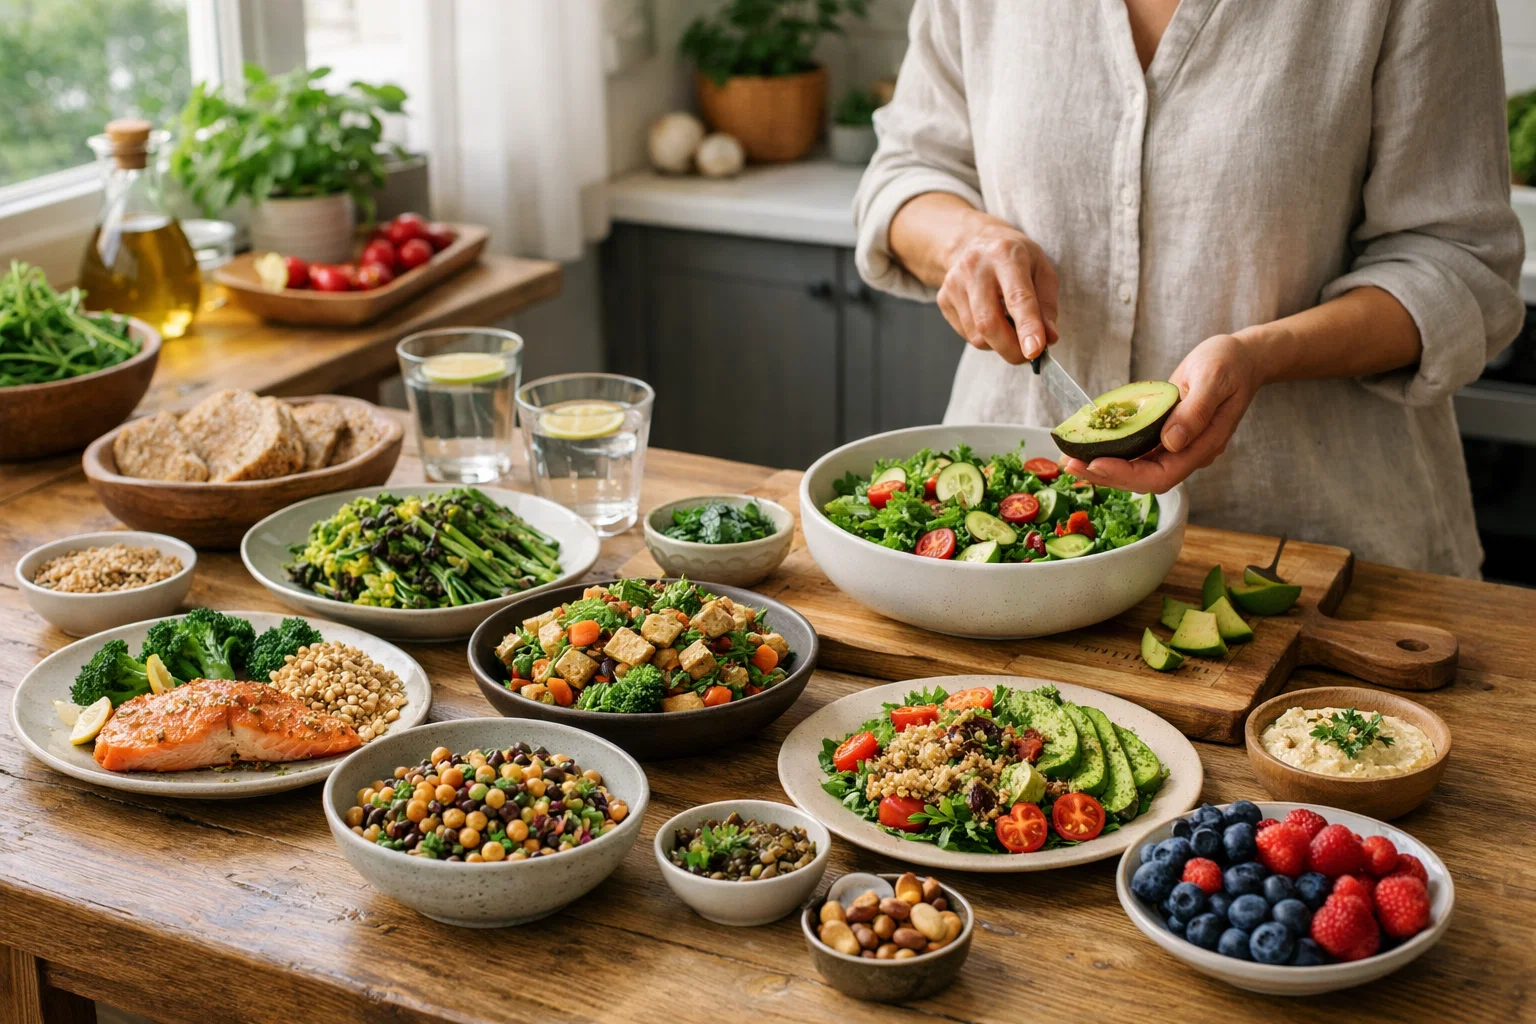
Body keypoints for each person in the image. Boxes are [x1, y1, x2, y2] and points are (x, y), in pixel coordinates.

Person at [854, 0, 1525, 576]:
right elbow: (909, 168)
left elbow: (1458, 262)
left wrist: (1264, 356)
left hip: (1318, 554)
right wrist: (963, 242)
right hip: (1016, 560)